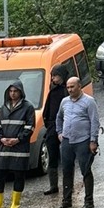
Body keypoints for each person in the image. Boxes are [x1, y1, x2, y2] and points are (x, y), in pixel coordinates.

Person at [55, 78, 100, 208]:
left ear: (79, 86)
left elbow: (94, 121)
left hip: (83, 140)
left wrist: (93, 140)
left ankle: (89, 202)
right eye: (68, 87)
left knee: (85, 170)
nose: (70, 90)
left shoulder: (89, 101)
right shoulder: (64, 101)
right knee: (66, 170)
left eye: (72, 87)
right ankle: (66, 200)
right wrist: (59, 132)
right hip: (67, 140)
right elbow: (59, 117)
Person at [0, 80, 35, 208]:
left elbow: (30, 127)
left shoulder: (28, 107)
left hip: (19, 148)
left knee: (19, 176)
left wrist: (18, 139)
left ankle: (15, 204)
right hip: (4, 147)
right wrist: (1, 138)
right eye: (10, 91)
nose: (13, 93)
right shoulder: (4, 107)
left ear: (21, 92)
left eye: (15, 91)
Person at [41, 64, 68, 196]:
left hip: (66, 127)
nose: (53, 78)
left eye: (55, 76)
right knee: (52, 156)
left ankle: (68, 185)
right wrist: (49, 124)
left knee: (67, 158)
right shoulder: (53, 91)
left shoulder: (67, 91)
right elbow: (47, 110)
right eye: (52, 76)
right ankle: (53, 186)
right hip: (52, 127)